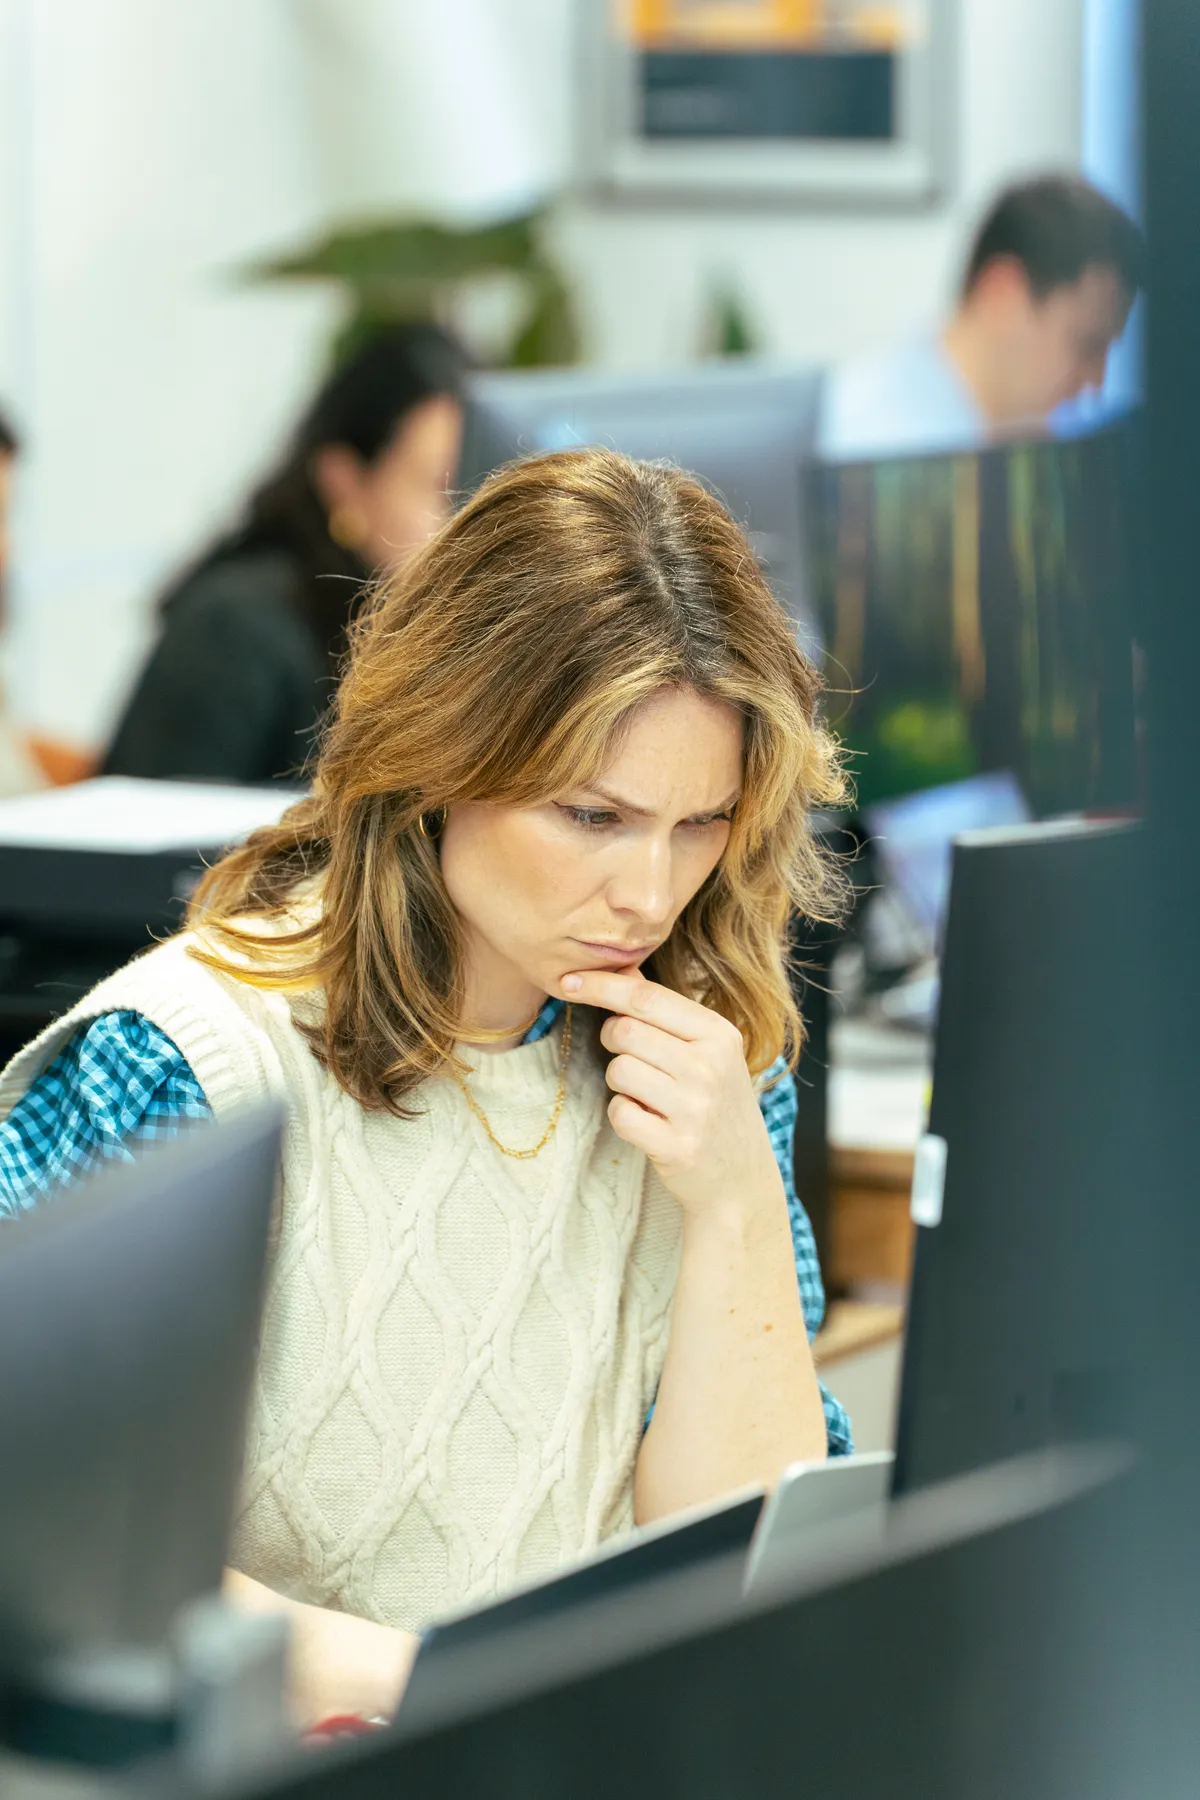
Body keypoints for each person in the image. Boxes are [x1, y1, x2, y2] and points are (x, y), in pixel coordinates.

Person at [0, 447, 850, 1725]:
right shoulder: (185, 1058)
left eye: (702, 823)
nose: (653, 892)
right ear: (443, 754)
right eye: (592, 816)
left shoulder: (703, 1057)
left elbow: (742, 1565)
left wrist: (731, 1197)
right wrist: (396, 1679)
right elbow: (36, 1541)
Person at [103, 324, 467, 785]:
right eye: (443, 489)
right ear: (345, 481)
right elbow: (158, 833)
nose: (467, 520)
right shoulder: (235, 625)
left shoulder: (435, 628)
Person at [818, 173, 1145, 462]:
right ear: (1003, 293)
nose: (1096, 382)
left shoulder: (1003, 450)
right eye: (1086, 345)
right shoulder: (875, 451)